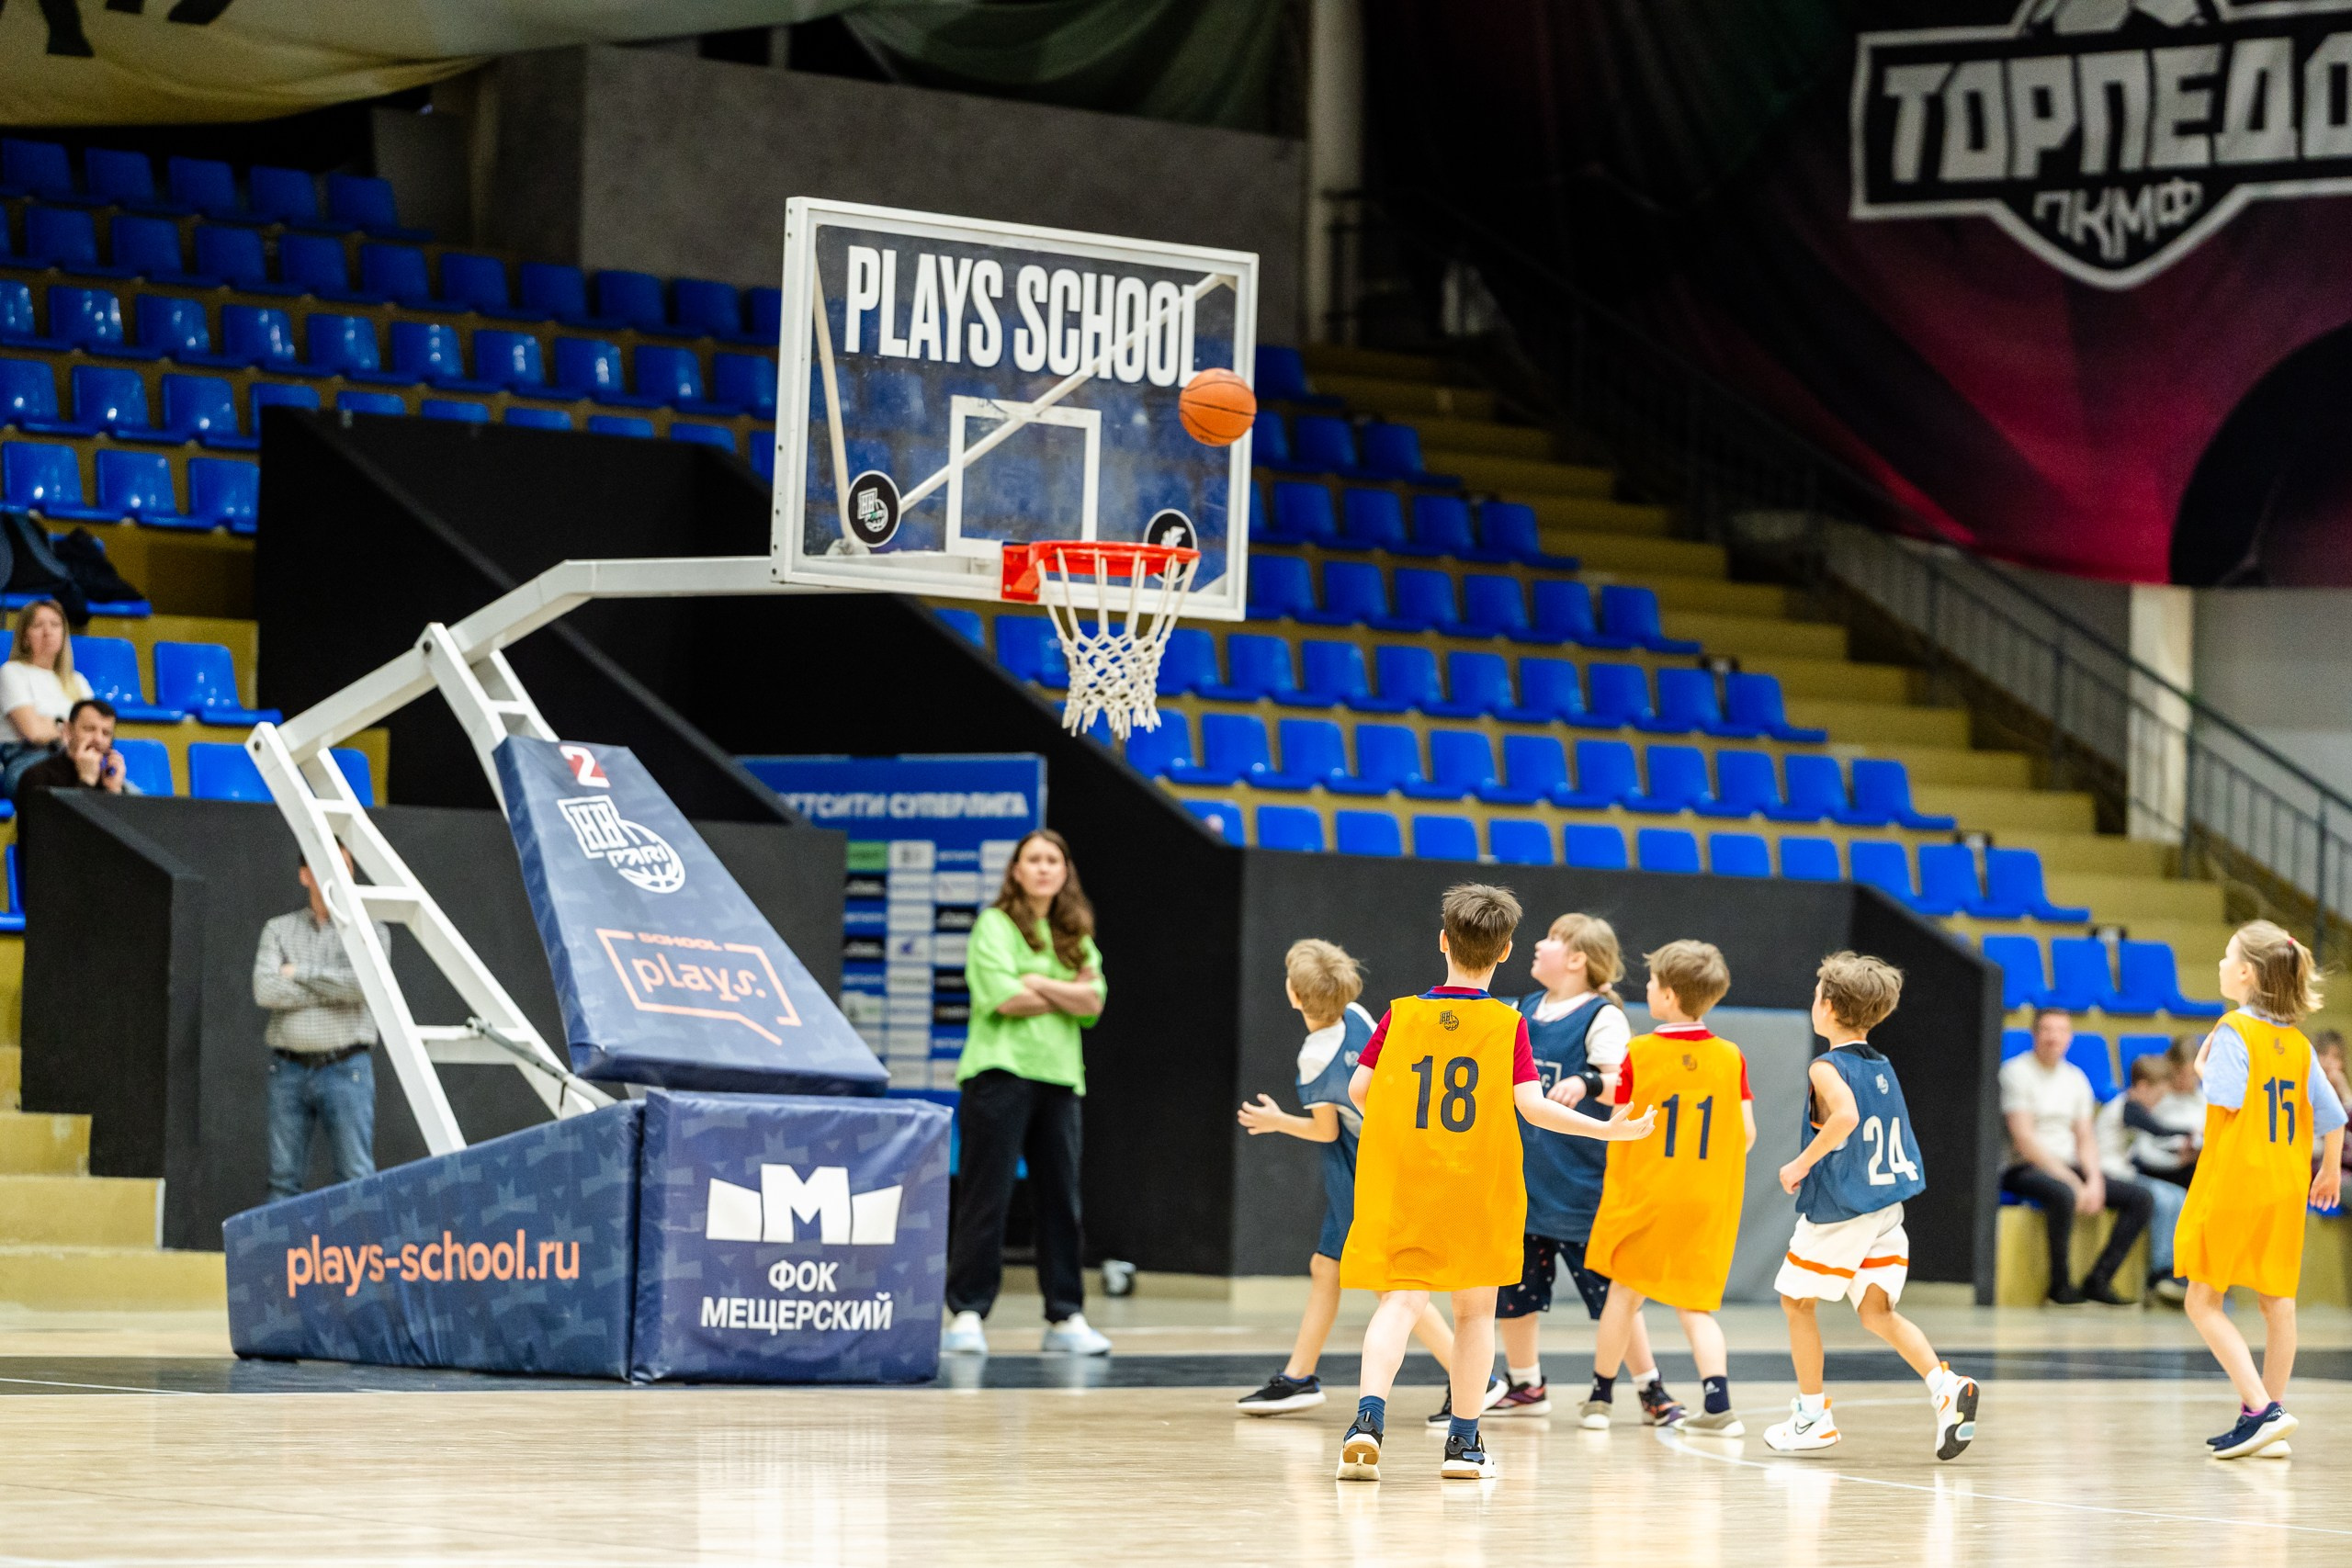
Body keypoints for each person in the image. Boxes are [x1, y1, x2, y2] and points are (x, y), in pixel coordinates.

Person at [1334, 884, 1654, 1483]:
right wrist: (1610, 1132)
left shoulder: (1401, 1013)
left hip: (1409, 1180)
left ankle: (1365, 1423)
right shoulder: (1508, 1023)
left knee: (1401, 1301)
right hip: (1477, 1184)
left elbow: (1359, 1091)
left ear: (1442, 941)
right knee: (1476, 1313)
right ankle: (1463, 1442)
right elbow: (1532, 1106)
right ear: (1505, 951)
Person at [1233, 939, 1477, 1418]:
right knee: (1327, 1268)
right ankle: (1300, 1377)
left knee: (1391, 1284)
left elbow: (1325, 1130)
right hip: (1387, 1153)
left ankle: (1473, 1376)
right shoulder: (1361, 1017)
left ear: (1294, 995)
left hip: (1365, 1165)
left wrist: (1278, 1120)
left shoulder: (1313, 1056)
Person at [1765, 953, 1977, 1461]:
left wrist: (1799, 1164)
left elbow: (1845, 1117)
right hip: (1886, 1210)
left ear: (1829, 1006)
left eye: (1817, 995)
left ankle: (1812, 1415)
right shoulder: (1881, 1065)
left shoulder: (1825, 1066)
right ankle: (1945, 1386)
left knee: (1796, 1302)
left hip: (1845, 1210)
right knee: (1877, 1311)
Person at [1497, 912, 1682, 1427]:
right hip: (1528, 1180)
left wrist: (1583, 1082)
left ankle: (1651, 1389)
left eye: (1553, 939)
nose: (1538, 944)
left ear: (1577, 959)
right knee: (1514, 1295)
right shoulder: (1521, 1010)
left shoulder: (1603, 1016)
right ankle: (1525, 1383)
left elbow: (1617, 1080)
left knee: (1613, 1299)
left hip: (1582, 1184)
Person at [2177, 921, 2346, 1460]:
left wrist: (2203, 1066)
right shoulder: (2296, 1043)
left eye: (2228, 957)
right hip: (2286, 1181)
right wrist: (2329, 1169)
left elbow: (2226, 1099)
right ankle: (2269, 1416)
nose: (2223, 966)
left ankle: (2261, 1409)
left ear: (2247, 973)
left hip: (2237, 1179)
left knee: (2202, 1300)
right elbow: (2334, 1114)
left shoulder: (2234, 1030)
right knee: (2279, 1302)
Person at [943, 829, 1111, 1358]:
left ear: (1065, 872)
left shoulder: (1075, 933)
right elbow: (1004, 998)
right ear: (1016, 870)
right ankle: (967, 1314)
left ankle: (1066, 1317)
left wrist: (1035, 981)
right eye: (1032, 859)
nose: (1042, 868)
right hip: (999, 1075)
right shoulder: (993, 925)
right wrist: (1065, 990)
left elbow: (1094, 1004)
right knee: (984, 1195)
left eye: (1052, 860)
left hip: (1060, 1078)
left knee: (1061, 1201)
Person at [1584, 939, 1756, 1437]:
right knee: (1695, 1307)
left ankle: (1599, 1398)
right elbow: (1745, 1133)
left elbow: (1620, 1109)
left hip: (1648, 1192)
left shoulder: (1641, 1051)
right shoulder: (1730, 1057)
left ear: (1669, 996)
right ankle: (1718, 1401)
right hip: (1703, 1198)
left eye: (1654, 983)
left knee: (1624, 1294)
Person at [252, 847, 388, 1200]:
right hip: (288, 1070)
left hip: (347, 1068)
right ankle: (280, 1256)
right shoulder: (279, 929)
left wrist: (299, 973)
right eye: (324, 865)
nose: (335, 874)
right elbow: (265, 989)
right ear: (305, 874)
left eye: (343, 865)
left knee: (356, 1177)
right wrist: (333, 987)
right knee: (282, 1180)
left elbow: (365, 986)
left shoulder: (371, 930)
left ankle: (361, 1255)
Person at [1996, 1008, 2151, 1304]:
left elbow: (2085, 1136)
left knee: (2141, 1198)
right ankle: (2059, 1286)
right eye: (2047, 1029)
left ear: (2069, 1038)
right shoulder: (2015, 1072)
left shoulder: (2076, 1078)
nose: (2053, 1037)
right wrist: (2071, 1180)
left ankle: (2099, 1279)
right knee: (2064, 1194)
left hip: (2069, 1164)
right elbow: (2024, 1138)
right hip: (2023, 1167)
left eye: (2061, 1030)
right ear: (2035, 1034)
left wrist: (2093, 1179)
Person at [2096, 1055, 2189, 1303]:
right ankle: (2159, 1270)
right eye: (2157, 1095)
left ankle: (2171, 1267)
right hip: (2108, 1172)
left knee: (2177, 1196)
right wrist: (2192, 1132)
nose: (2158, 1102)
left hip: (2124, 1170)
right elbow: (2157, 1130)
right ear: (2143, 1087)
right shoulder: (2128, 1106)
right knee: (2158, 1197)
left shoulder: (2133, 1107)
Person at [0, 598, 93, 798]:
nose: (47, 631)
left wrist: (51, 723)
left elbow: (97, 731)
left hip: (77, 758)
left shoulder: (78, 681)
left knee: (127, 793)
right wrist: (73, 730)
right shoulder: (11, 672)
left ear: (63, 634)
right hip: (27, 759)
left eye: (55, 625)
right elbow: (33, 732)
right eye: (38, 625)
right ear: (25, 637)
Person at [13, 697, 130, 797]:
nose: (98, 739)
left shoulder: (111, 780)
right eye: (89, 729)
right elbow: (61, 823)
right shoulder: (37, 777)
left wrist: (114, 792)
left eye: (106, 733)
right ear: (68, 730)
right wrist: (86, 782)